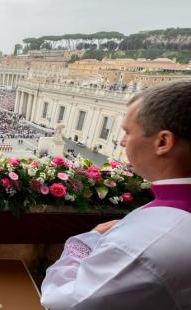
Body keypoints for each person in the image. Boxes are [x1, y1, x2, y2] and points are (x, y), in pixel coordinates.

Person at [41, 81, 191, 309]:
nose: (121, 141)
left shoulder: (145, 242)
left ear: (162, 142)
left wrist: (86, 241)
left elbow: (63, 300)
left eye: (128, 132)